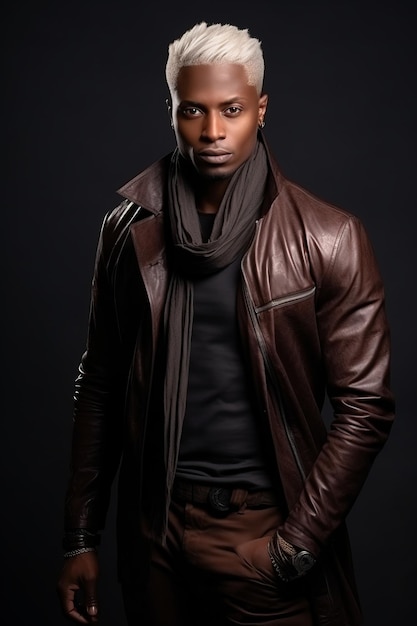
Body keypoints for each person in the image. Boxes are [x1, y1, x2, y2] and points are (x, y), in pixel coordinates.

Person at [57, 21, 395, 626]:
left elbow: (366, 407)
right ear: (172, 112)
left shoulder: (329, 237)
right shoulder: (126, 232)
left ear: (261, 110)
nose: (212, 132)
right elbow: (101, 384)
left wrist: (295, 546)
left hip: (262, 533)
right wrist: (81, 536)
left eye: (232, 110)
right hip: (155, 533)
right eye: (194, 111)